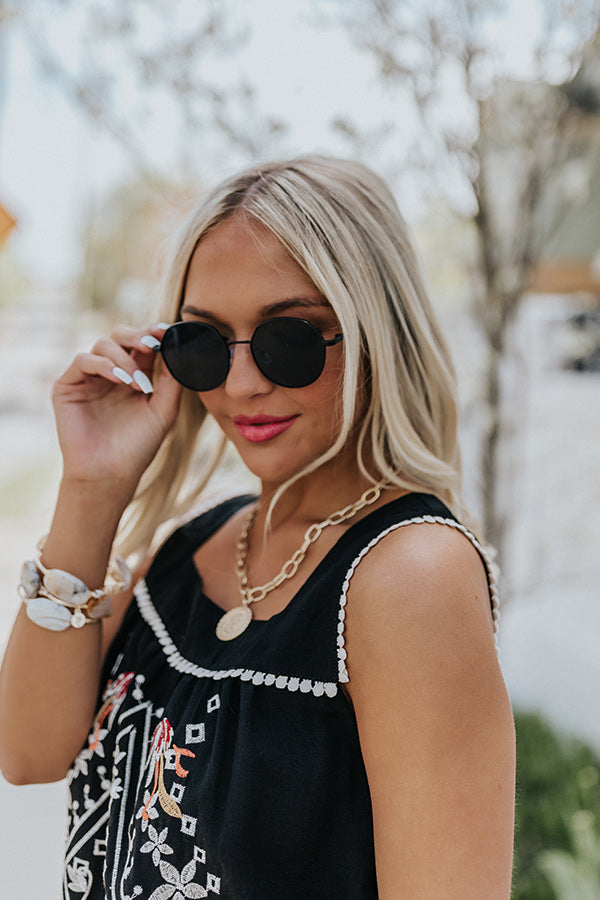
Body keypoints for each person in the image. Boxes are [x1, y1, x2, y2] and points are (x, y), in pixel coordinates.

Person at [0, 156, 515, 899]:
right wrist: (92, 488)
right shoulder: (194, 546)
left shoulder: (412, 577)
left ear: (377, 334)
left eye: (290, 337)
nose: (242, 383)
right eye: (204, 343)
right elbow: (27, 751)